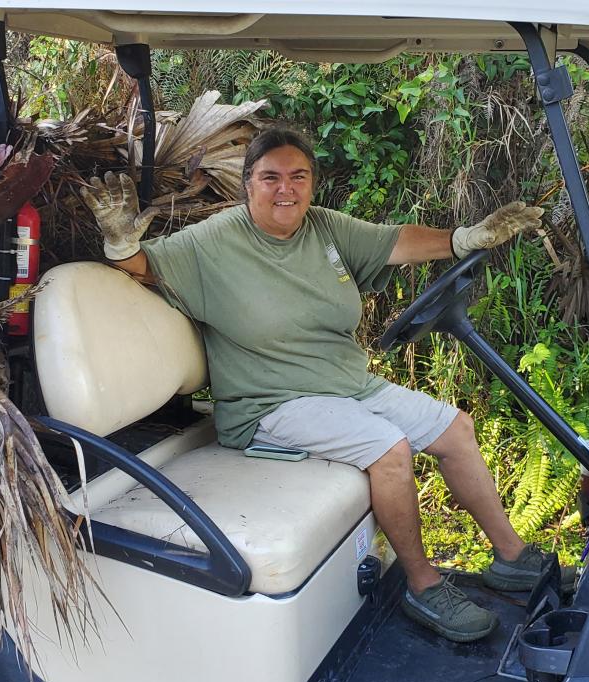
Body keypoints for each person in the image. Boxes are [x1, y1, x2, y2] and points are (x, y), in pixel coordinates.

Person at [81, 128, 546, 643]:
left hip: (347, 384)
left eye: (297, 177)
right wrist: (120, 238)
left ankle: (511, 558)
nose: (286, 189)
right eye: (271, 178)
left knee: (457, 430)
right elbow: (143, 265)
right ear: (247, 185)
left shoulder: (323, 228)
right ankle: (423, 585)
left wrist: (462, 239)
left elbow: (394, 241)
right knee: (388, 449)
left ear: (312, 184)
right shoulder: (214, 240)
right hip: (271, 403)